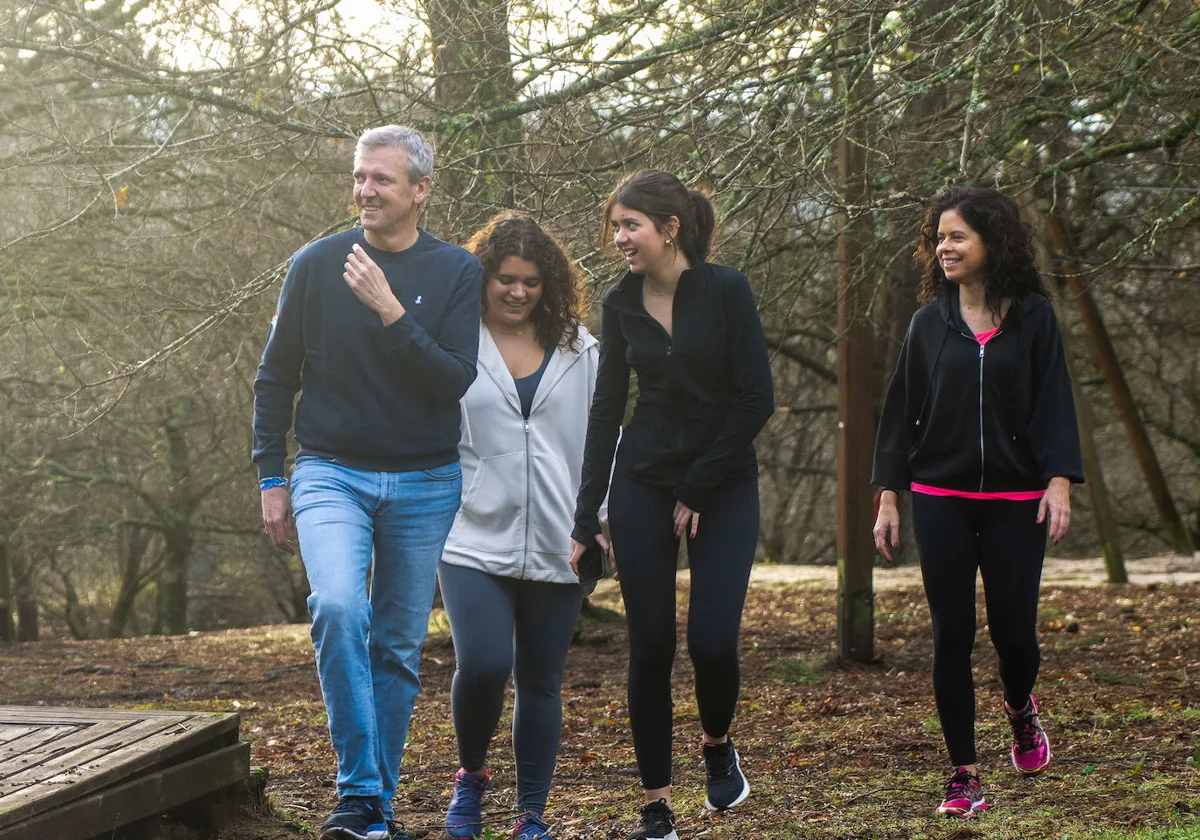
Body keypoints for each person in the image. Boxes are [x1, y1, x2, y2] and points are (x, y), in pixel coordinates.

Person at [253, 125, 482, 840]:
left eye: (381, 179)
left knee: (397, 648)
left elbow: (452, 379)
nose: (364, 191)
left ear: (420, 190)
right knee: (339, 609)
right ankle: (360, 795)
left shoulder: (455, 272)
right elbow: (274, 378)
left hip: (425, 481)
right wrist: (270, 475)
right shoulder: (316, 266)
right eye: (359, 176)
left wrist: (389, 310)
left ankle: (369, 812)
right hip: (330, 473)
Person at [570, 170, 774, 840]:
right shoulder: (620, 301)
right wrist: (584, 518)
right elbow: (606, 413)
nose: (619, 238)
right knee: (650, 644)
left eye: (630, 225)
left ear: (670, 228)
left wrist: (700, 484)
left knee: (711, 641)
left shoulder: (727, 291)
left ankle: (717, 742)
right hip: (643, 482)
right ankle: (656, 807)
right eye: (616, 225)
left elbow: (755, 399)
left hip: (723, 482)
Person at [871, 186, 1084, 819]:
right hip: (942, 497)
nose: (944, 247)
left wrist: (1060, 480)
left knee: (1016, 637)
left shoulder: (1033, 318)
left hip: (1018, 498)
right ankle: (963, 773)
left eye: (957, 236)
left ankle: (1021, 708)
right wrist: (889, 494)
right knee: (951, 634)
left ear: (993, 242)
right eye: (939, 237)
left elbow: (1055, 403)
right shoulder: (927, 325)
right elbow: (901, 415)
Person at [437, 213, 603, 840]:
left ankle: (532, 814)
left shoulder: (579, 349)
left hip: (563, 539)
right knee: (481, 664)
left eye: (531, 282)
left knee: (541, 679)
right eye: (505, 279)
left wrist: (599, 521)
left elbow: (599, 441)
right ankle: (472, 778)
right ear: (483, 278)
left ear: (548, 284)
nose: (517, 292)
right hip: (470, 535)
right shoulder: (457, 343)